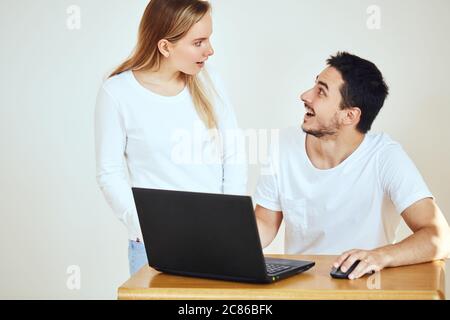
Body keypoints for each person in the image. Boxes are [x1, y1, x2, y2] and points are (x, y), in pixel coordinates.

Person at [254, 52, 450, 279]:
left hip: (362, 287)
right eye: (314, 85)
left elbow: (440, 237)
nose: (305, 96)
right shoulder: (284, 145)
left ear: (349, 116)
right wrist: (221, 242)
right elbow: (265, 225)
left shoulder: (385, 157)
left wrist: (380, 256)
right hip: (301, 288)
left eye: (321, 92)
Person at [95, 0, 247, 275]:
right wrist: (145, 228)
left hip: (216, 241)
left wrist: (229, 225)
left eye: (209, 39)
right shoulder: (117, 92)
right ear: (165, 46)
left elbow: (234, 154)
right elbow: (109, 173)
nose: (210, 50)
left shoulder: (209, 80)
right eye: (199, 41)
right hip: (154, 247)